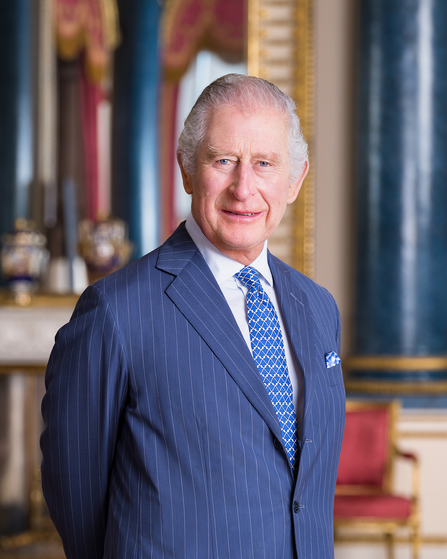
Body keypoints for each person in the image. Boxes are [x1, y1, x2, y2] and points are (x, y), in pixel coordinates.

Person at [41, 74, 345, 559]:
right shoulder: (116, 311)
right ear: (186, 168)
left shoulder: (318, 307)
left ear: (295, 179)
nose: (243, 188)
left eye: (264, 163)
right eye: (223, 161)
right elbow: (76, 493)